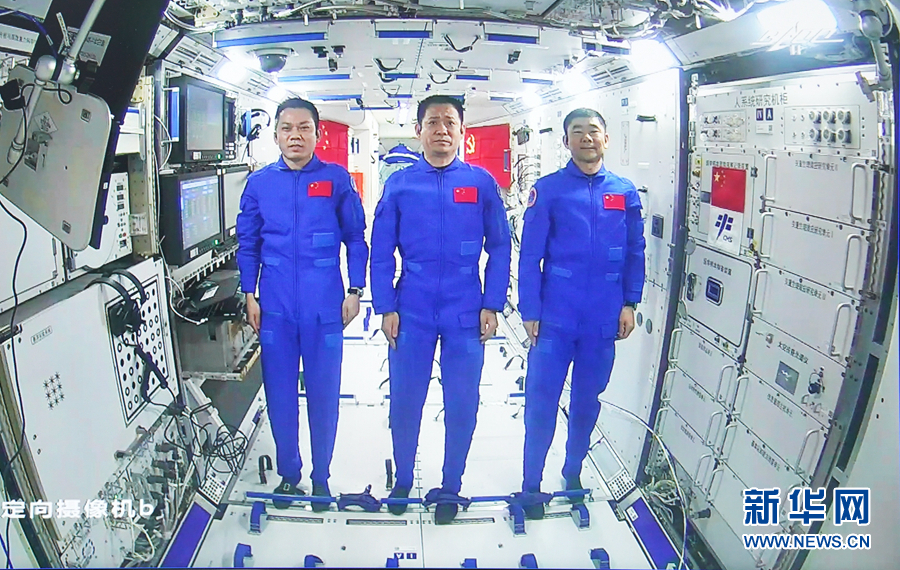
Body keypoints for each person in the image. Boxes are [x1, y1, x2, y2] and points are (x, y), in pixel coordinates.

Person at [371, 95, 511, 524]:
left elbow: (500, 246)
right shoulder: (399, 184)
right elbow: (380, 250)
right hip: (411, 306)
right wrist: (385, 305)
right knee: (405, 399)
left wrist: (493, 303)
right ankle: (403, 480)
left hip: (465, 306)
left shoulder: (481, 183)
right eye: (433, 122)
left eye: (450, 122)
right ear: (419, 131)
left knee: (462, 401)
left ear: (462, 130)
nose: (442, 130)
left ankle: (451, 485)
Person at [236, 98, 369, 510]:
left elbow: (356, 238)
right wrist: (249, 292)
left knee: (324, 394)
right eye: (287, 128)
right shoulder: (259, 184)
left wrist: (355, 290)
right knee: (279, 395)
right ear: (276, 135)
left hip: (324, 308)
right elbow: (248, 243)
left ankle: (321, 476)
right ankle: (289, 475)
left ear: (317, 134)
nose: (295, 135)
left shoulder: (336, 179)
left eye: (304, 128)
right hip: (275, 309)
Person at [517, 108, 646, 519]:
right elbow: (530, 256)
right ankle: (532, 483)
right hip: (555, 317)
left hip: (602, 319)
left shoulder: (624, 192)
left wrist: (630, 302)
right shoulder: (549, 190)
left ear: (606, 139)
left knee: (587, 402)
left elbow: (636, 252)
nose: (587, 138)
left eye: (593, 131)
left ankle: (572, 472)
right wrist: (530, 309)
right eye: (578, 132)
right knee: (541, 402)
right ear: (566, 142)